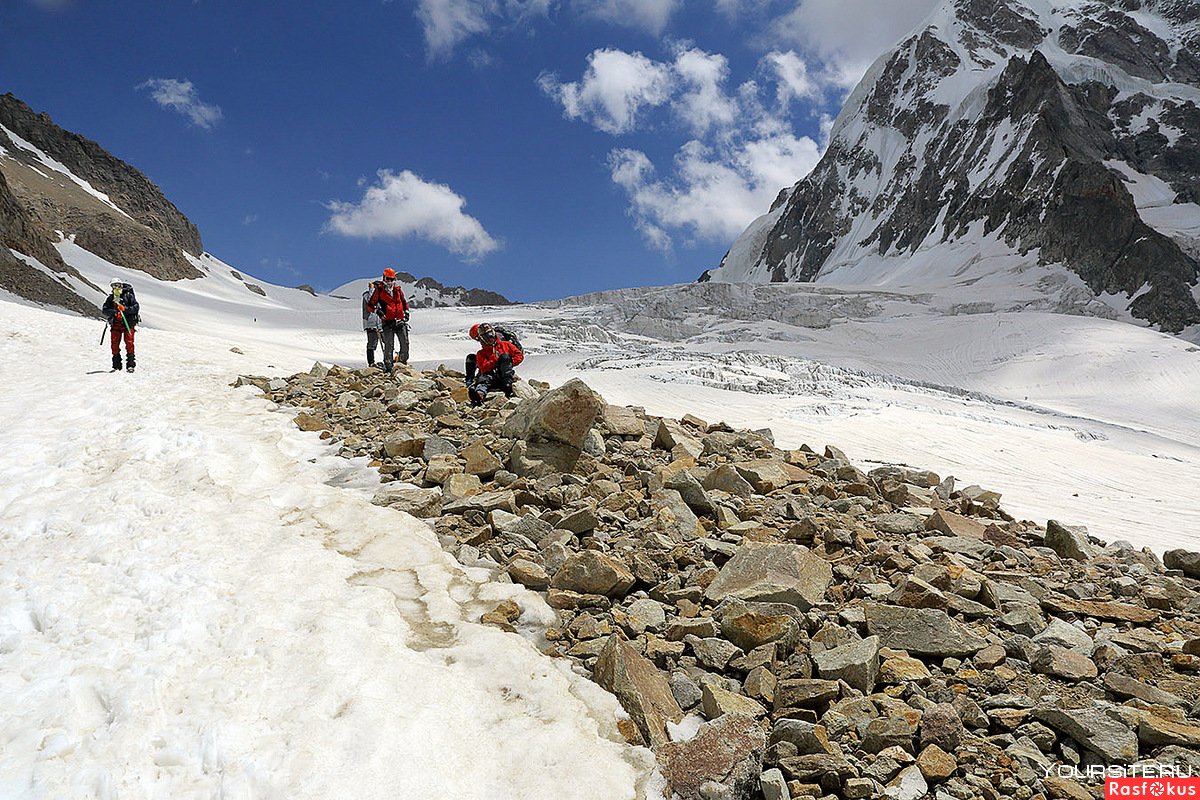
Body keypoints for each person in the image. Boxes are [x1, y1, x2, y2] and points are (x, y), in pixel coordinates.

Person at [466, 322, 523, 406]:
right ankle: (479, 395)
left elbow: (518, 355)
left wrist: (507, 363)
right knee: (484, 379)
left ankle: (507, 387)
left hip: (503, 374)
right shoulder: (481, 353)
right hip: (490, 375)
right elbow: (483, 367)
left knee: (504, 357)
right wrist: (496, 362)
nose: (490, 338)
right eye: (486, 337)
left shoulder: (505, 345)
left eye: (490, 334)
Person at [365, 268, 410, 372]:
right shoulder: (379, 290)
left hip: (399, 320)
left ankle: (402, 363)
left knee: (405, 342)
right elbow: (371, 305)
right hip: (387, 322)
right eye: (387, 279)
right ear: (384, 278)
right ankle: (388, 367)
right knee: (389, 344)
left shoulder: (398, 290)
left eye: (391, 279)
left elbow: (404, 302)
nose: (389, 281)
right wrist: (378, 311)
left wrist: (406, 312)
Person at [102, 278, 139, 372]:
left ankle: (130, 365)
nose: (116, 288)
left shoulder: (128, 295)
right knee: (114, 344)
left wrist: (125, 309)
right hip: (116, 324)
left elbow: (136, 307)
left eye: (118, 285)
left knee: (129, 343)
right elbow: (105, 310)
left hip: (128, 323)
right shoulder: (111, 298)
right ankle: (116, 365)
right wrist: (114, 312)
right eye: (114, 286)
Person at [361, 279, 383, 367]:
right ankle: (371, 362)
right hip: (371, 323)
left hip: (380, 323)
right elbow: (371, 303)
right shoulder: (367, 295)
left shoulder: (380, 296)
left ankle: (388, 360)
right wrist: (372, 290)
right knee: (372, 343)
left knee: (387, 341)